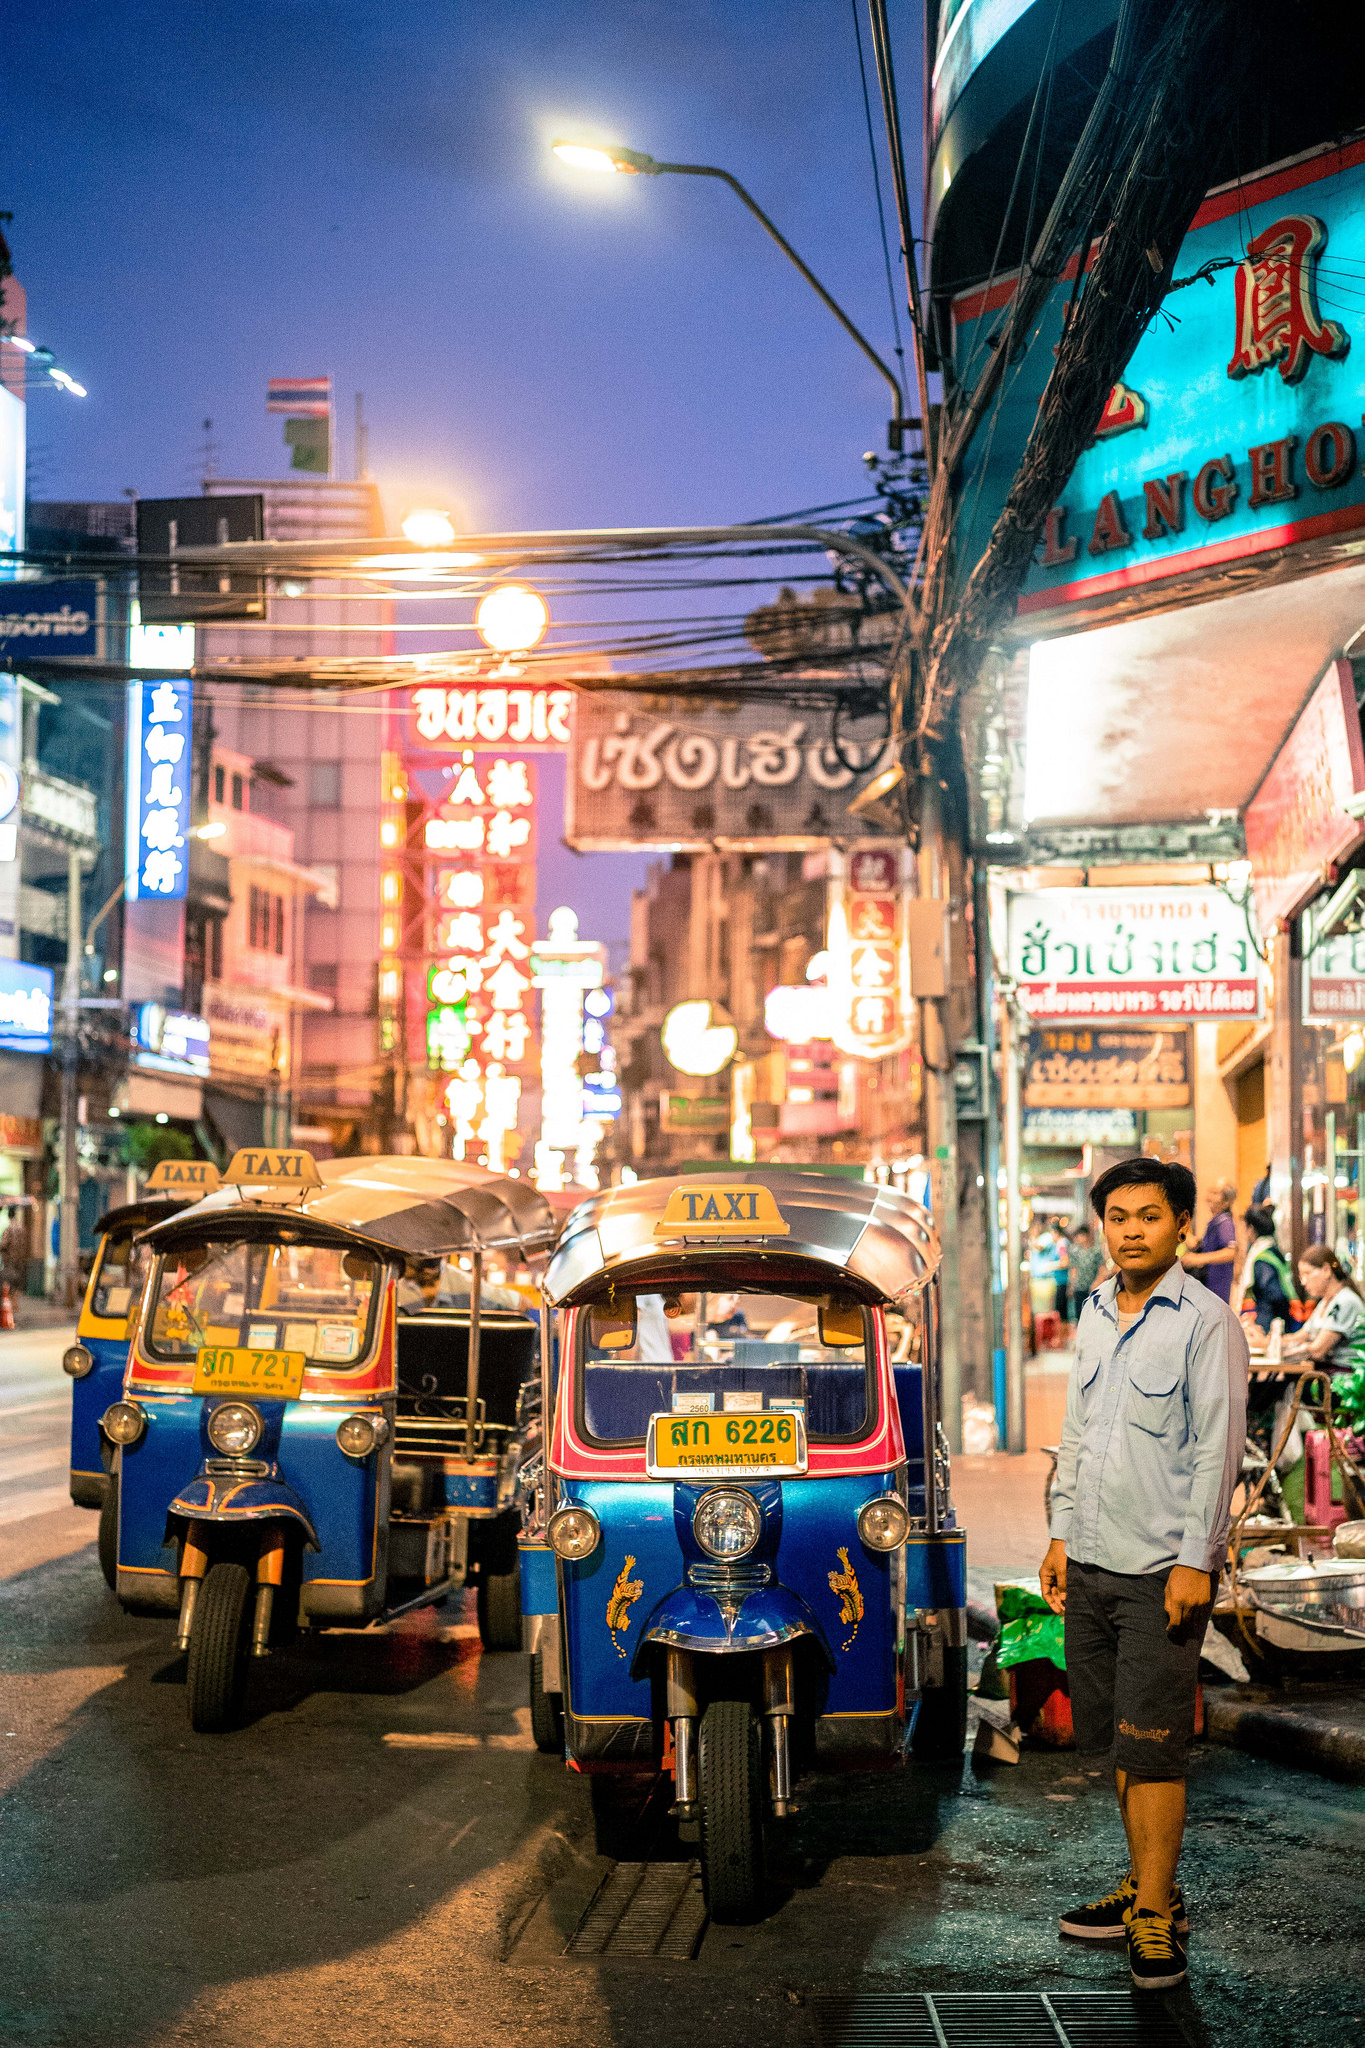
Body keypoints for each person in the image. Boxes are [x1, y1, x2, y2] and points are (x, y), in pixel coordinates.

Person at [1039, 1155, 1247, 1992]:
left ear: (1181, 1227)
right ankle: (1145, 1886)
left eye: (1148, 1215)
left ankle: (1156, 1915)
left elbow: (1216, 1450)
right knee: (1119, 1739)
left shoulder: (1205, 1323)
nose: (1129, 1229)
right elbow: (1078, 1431)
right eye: (1116, 1215)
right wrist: (1057, 1535)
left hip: (1160, 1569)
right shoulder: (1093, 1310)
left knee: (1155, 1746)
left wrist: (1196, 1560)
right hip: (1089, 1559)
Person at [1282, 1245, 1365, 1373]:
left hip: (1343, 1381)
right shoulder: (1325, 1302)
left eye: (1307, 1274)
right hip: (1326, 1373)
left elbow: (1318, 1350)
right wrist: (1265, 1342)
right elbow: (1300, 1337)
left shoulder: (1345, 1301)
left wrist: (1283, 1352)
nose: (1303, 1282)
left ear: (1327, 1270)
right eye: (1301, 1276)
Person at [1235, 1206, 1296, 1334]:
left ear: (1251, 1229)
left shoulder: (1262, 1259)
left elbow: (1274, 1295)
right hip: (1281, 1320)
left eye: (1244, 1228)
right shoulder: (1273, 1251)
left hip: (1269, 1323)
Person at [1179, 1180, 1238, 1302]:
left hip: (1216, 1289)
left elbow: (1231, 1252)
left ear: (1227, 1201)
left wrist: (1198, 1259)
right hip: (1208, 1287)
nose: (1209, 1197)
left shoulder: (1225, 1223)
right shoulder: (1215, 1222)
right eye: (1209, 1192)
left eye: (1215, 1193)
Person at [1067, 1224, 1106, 1323]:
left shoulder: (1096, 1251)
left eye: (1081, 1235)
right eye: (1078, 1236)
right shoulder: (1075, 1251)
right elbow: (1074, 1268)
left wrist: (1097, 1282)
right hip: (1079, 1286)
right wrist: (1072, 1284)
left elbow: (1102, 1268)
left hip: (1092, 1287)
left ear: (1087, 1235)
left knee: (1092, 1315)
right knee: (1079, 1315)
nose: (1079, 1238)